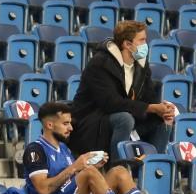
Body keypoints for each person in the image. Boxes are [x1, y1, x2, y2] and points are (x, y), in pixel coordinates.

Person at [24, 102, 163, 194]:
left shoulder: (64, 148)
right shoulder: (36, 149)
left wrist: (88, 168)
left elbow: (71, 182)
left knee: (119, 172)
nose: (71, 128)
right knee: (89, 173)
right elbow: (43, 189)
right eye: (65, 123)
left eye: (70, 123)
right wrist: (76, 167)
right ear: (49, 125)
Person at [69, 21, 173, 163]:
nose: (145, 44)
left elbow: (149, 97)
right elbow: (110, 103)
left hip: (125, 116)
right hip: (91, 121)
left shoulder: (141, 65)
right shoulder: (100, 63)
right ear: (127, 44)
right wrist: (151, 108)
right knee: (125, 119)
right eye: (142, 40)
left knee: (163, 119)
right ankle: (117, 168)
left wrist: (162, 109)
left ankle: (151, 166)